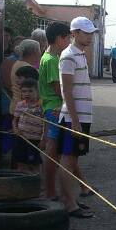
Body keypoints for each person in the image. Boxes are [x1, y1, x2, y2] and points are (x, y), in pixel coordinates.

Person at [57, 17, 97, 218]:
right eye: (85, 32)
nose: (89, 36)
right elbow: (66, 91)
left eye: (91, 33)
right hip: (74, 117)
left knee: (73, 159)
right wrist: (74, 121)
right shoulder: (68, 56)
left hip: (82, 116)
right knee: (68, 159)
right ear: (74, 33)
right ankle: (69, 203)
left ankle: (71, 199)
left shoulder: (80, 54)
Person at [39, 22, 70, 200]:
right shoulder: (51, 60)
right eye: (68, 38)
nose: (69, 42)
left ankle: (51, 190)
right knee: (53, 153)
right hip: (54, 109)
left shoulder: (48, 56)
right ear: (60, 38)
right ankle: (50, 191)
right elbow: (59, 89)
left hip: (52, 108)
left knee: (55, 152)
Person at [11, 79, 44, 173]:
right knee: (21, 162)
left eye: (30, 91)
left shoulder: (41, 106)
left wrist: (43, 139)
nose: (27, 94)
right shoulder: (20, 105)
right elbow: (15, 120)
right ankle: (23, 183)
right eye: (24, 91)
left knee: (35, 163)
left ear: (37, 91)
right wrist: (15, 129)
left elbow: (46, 124)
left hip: (34, 140)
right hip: (21, 138)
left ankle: (37, 183)